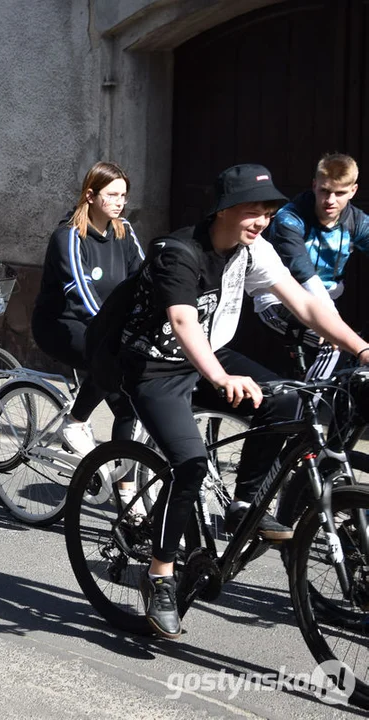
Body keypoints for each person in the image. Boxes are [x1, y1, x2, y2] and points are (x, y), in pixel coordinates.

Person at [117, 164, 369, 640]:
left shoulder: (253, 249)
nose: (262, 220)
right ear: (224, 210)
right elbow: (182, 320)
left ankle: (245, 501)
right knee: (188, 464)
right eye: (253, 211)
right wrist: (218, 375)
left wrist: (361, 349)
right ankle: (161, 576)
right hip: (156, 365)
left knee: (288, 403)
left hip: (211, 353)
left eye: (269, 212)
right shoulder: (179, 251)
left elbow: (307, 304)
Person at [31, 161, 144, 512]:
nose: (119, 202)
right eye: (112, 195)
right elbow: (80, 289)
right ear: (90, 195)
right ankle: (76, 422)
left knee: (129, 405)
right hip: (60, 324)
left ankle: (127, 493)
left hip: (106, 327)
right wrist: (116, 331)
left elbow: (144, 278)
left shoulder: (123, 230)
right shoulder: (68, 235)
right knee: (107, 357)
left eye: (123, 195)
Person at [254, 153, 369, 379]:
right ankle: (310, 411)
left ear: (353, 191)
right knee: (337, 344)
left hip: (323, 304)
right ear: (314, 185)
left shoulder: (357, 221)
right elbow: (303, 272)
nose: (330, 200)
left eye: (340, 193)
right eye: (325, 190)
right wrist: (332, 322)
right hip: (278, 302)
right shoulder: (289, 218)